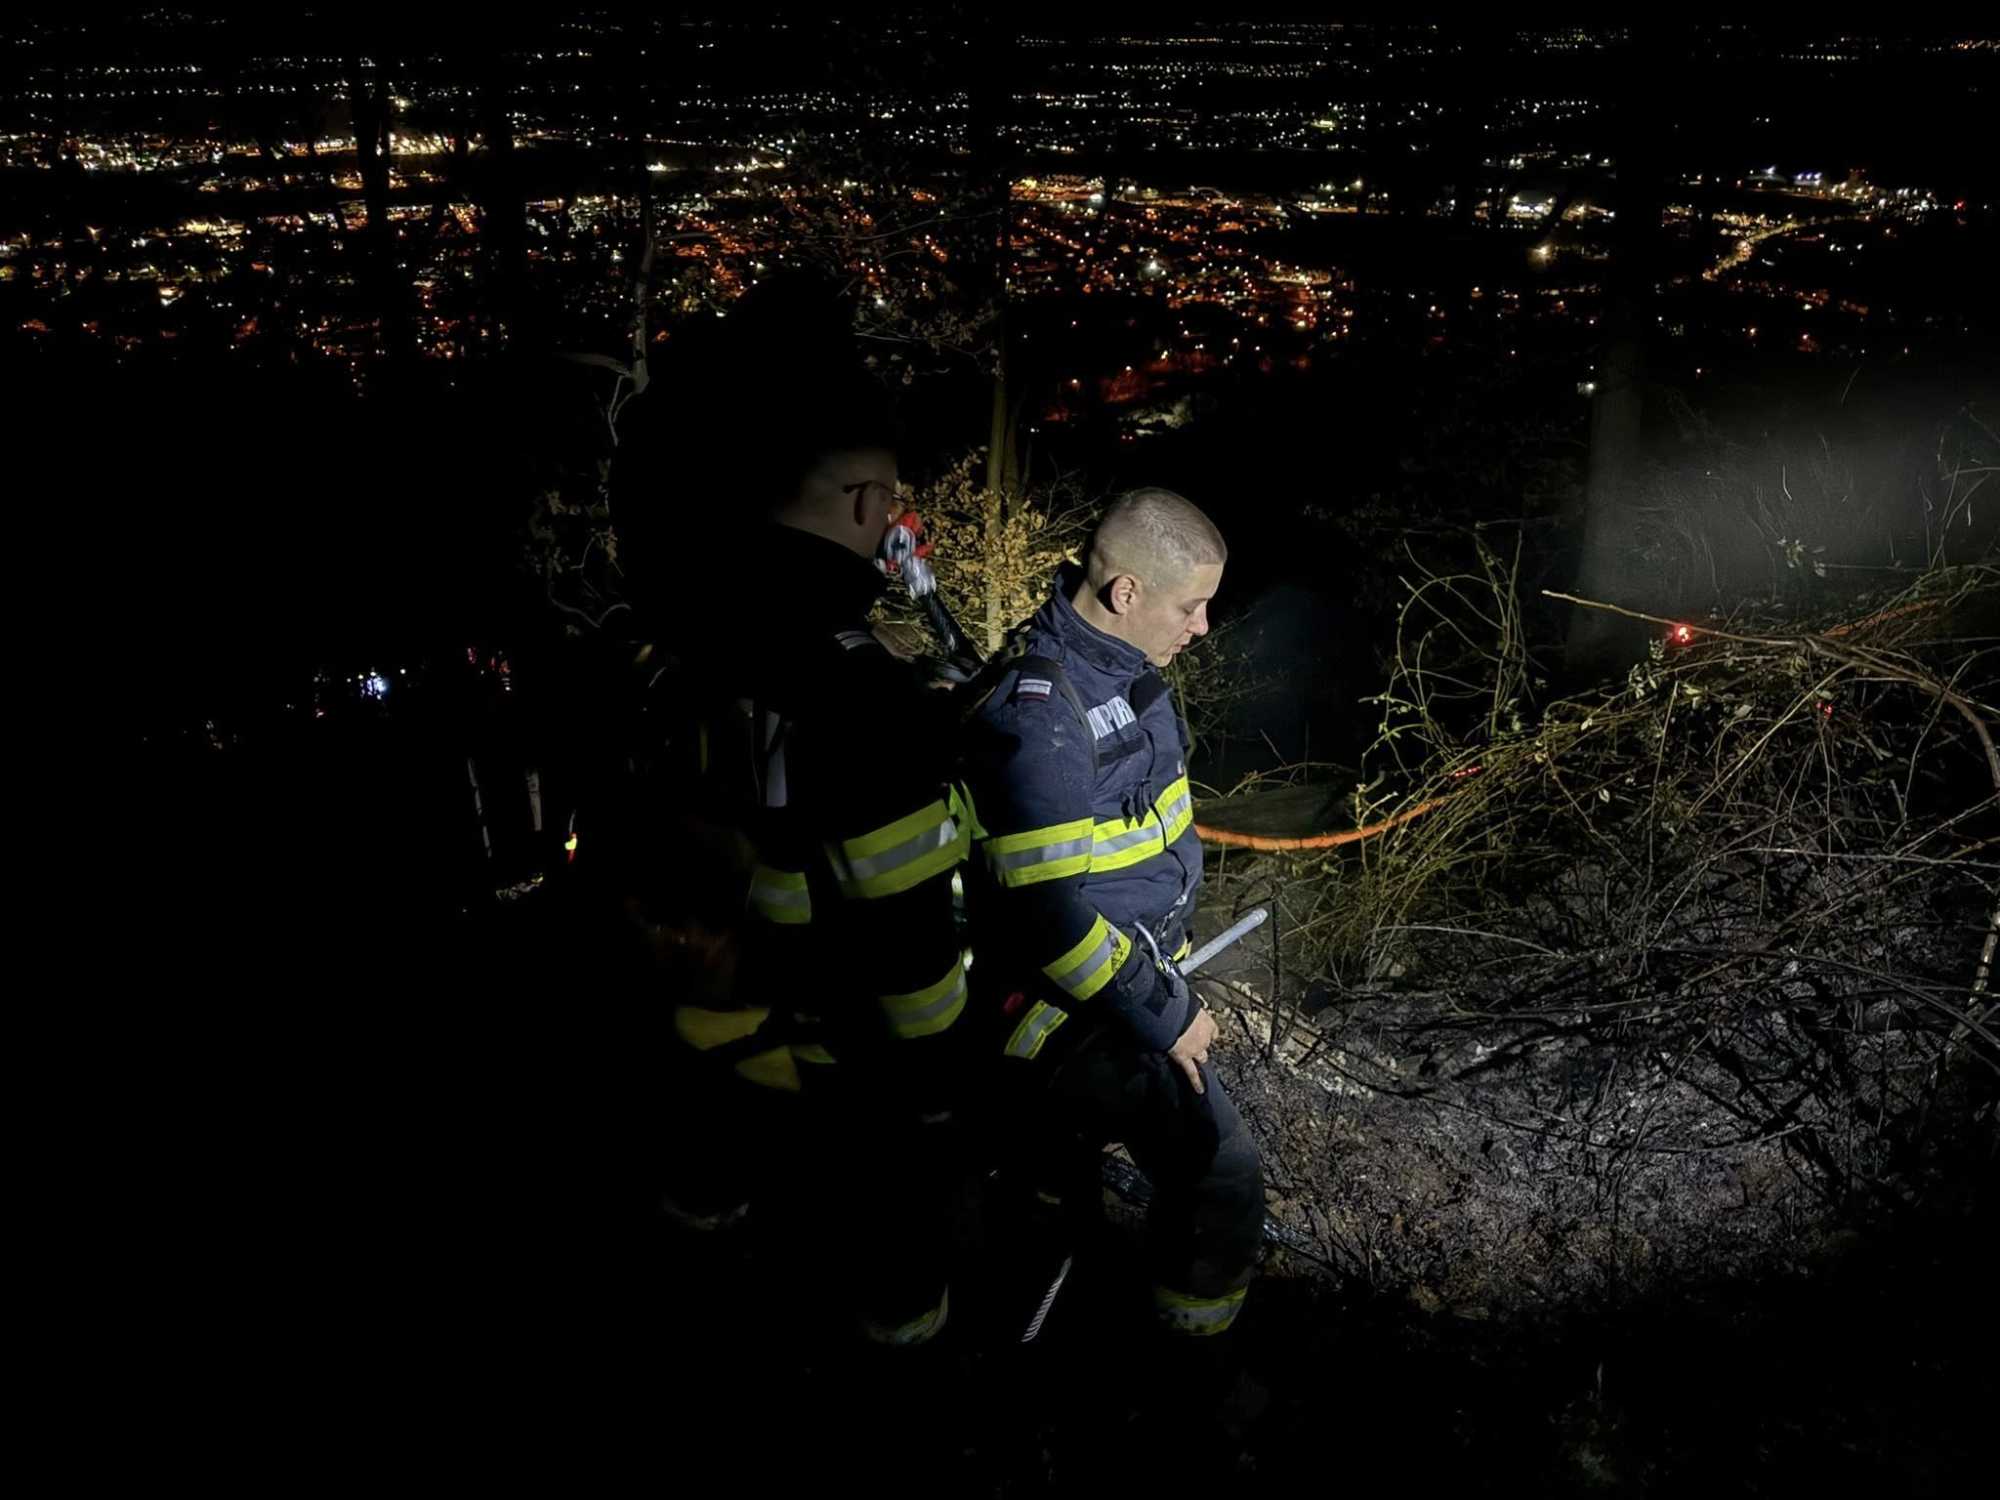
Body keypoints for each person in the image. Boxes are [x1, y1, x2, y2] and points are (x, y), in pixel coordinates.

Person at [630, 404, 973, 1349]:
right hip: (829, 1053)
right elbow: (905, 924)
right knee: (886, 1272)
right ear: (868, 503)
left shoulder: (681, 628)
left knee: (708, 1229)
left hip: (692, 1011)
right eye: (892, 504)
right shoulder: (857, 687)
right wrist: (940, 1073)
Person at [962, 487, 1264, 1356]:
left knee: (1059, 1194)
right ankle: (1187, 1360)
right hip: (1063, 1011)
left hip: (1127, 986)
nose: (1203, 626)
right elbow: (1049, 921)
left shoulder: (1131, 677)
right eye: (1190, 605)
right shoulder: (1042, 714)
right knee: (1221, 1173)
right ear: (1127, 593)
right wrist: (1167, 1017)